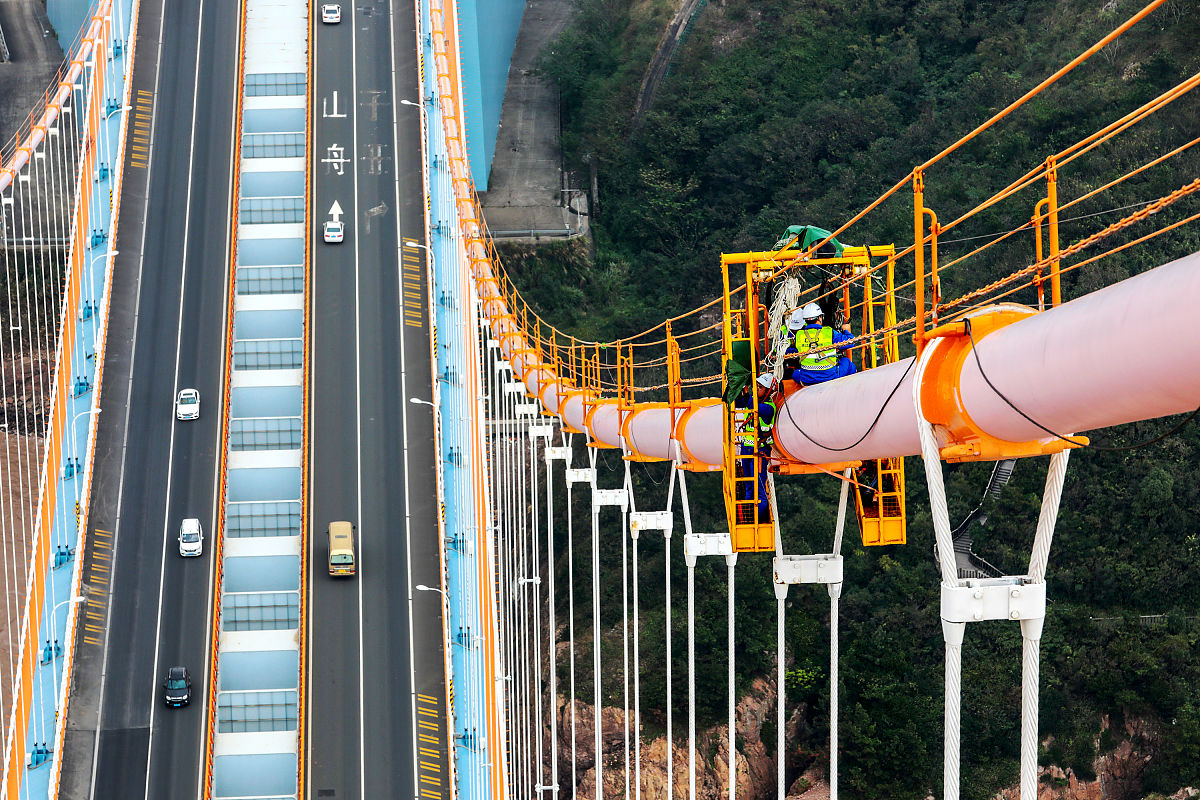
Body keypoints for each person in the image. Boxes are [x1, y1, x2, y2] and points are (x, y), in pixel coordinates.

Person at [733, 372, 777, 519]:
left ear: (768, 391)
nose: (756, 388)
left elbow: (754, 406)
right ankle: (749, 516)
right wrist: (738, 389)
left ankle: (756, 519)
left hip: (759, 452)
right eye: (756, 385)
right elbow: (738, 403)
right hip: (746, 449)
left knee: (759, 487)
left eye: (760, 387)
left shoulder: (769, 408)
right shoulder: (752, 401)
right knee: (748, 486)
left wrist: (745, 393)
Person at [785, 302, 857, 387]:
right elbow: (850, 342)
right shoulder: (829, 332)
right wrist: (846, 330)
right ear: (820, 318)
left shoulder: (799, 335)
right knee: (846, 362)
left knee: (796, 374)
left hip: (807, 379)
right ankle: (851, 386)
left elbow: (794, 351)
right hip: (829, 377)